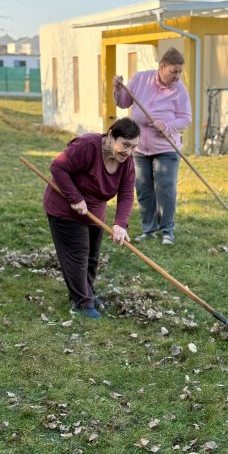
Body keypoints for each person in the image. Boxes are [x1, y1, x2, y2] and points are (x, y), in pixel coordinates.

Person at [43, 117, 140, 319]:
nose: (129, 152)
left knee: (91, 258)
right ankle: (81, 304)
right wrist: (74, 197)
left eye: (133, 147)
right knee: (77, 255)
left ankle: (86, 294)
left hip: (94, 212)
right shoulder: (86, 146)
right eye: (125, 145)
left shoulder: (127, 162)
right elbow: (57, 167)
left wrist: (120, 224)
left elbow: (126, 194)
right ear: (111, 136)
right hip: (65, 208)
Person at [113, 47, 192, 246]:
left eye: (179, 72)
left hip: (166, 148)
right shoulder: (141, 79)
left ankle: (167, 231)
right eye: (173, 71)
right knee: (143, 188)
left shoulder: (180, 90)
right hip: (139, 148)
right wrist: (119, 88)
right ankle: (149, 230)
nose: (177, 76)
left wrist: (167, 126)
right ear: (162, 67)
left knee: (165, 188)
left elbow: (185, 118)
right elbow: (123, 102)